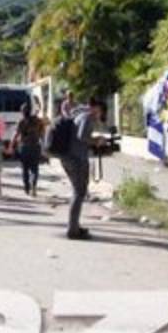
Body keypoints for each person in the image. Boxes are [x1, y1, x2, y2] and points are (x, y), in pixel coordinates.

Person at [59, 97, 106, 240]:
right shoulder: (87, 116)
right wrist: (96, 141)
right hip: (76, 159)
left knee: (78, 192)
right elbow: (81, 136)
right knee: (79, 193)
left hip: (69, 157)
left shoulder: (78, 114)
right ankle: (73, 230)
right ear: (96, 108)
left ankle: (74, 226)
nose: (100, 115)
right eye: (101, 111)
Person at [12, 102, 46, 197]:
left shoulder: (21, 122)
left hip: (24, 147)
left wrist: (11, 146)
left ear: (22, 112)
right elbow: (43, 134)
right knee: (35, 168)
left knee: (25, 169)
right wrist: (44, 147)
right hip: (36, 146)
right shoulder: (38, 121)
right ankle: (34, 185)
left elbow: (16, 135)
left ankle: (27, 187)